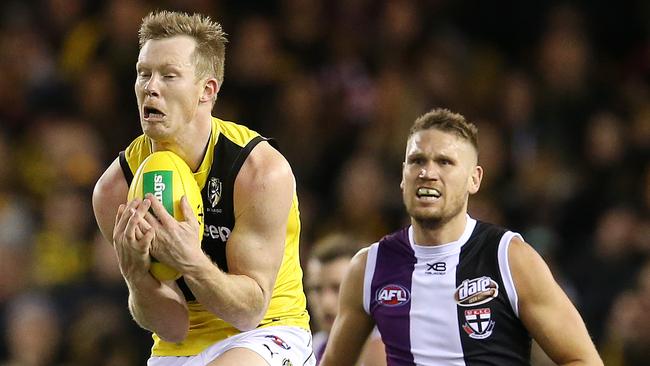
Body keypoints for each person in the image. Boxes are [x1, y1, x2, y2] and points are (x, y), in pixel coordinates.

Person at [92, 10, 313, 366]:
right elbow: (173, 326)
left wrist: (190, 260)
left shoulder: (258, 172)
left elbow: (249, 312)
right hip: (177, 350)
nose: (151, 87)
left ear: (206, 91)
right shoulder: (114, 190)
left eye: (169, 75)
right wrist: (134, 274)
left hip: (265, 333)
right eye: (143, 73)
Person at [320, 108, 603, 365]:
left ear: (474, 179)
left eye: (444, 162)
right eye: (417, 161)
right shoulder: (368, 267)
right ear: (403, 177)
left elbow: (581, 359)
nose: (427, 172)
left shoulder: (509, 258)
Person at [305, 233, 386, 366]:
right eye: (316, 289)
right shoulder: (312, 346)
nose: (326, 303)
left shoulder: (383, 348)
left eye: (338, 288)